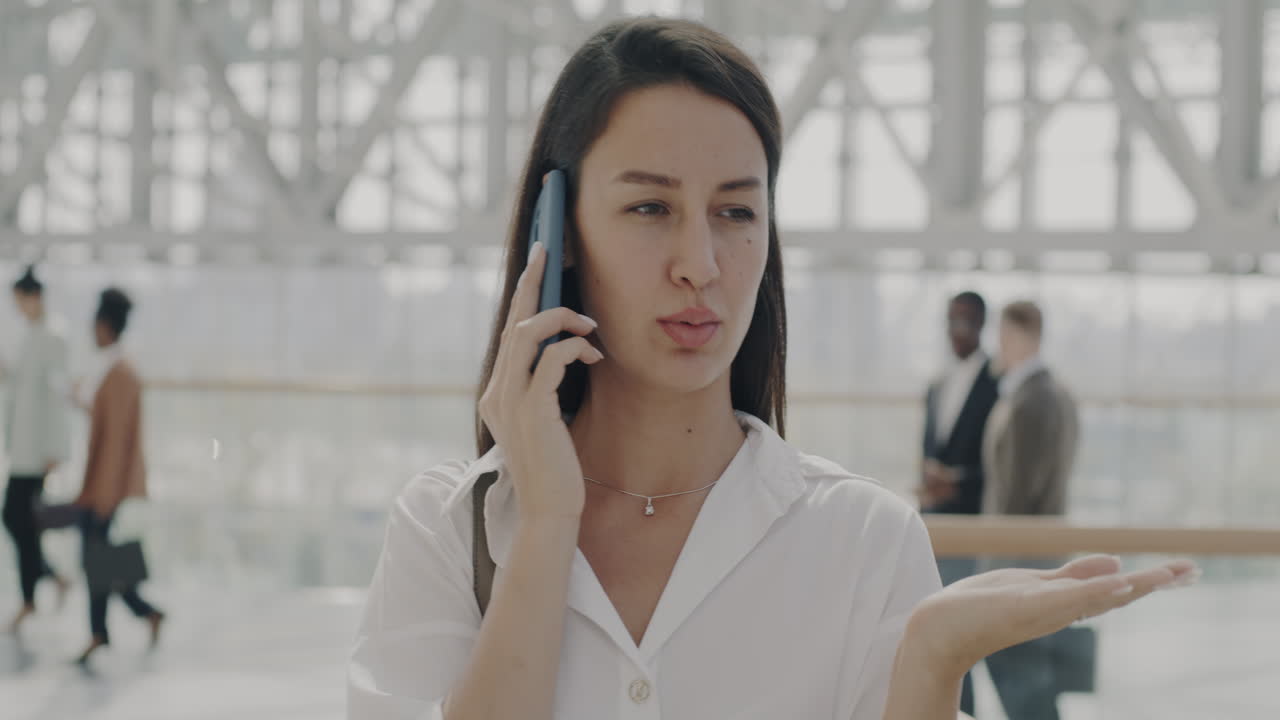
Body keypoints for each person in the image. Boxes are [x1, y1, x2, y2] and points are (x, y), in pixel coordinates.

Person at [348, 18, 1197, 720]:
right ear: (557, 234)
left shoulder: (864, 539)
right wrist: (543, 531)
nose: (700, 262)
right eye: (650, 207)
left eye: (735, 212)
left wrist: (930, 665)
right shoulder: (449, 529)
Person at [980, 300, 1082, 720]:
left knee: (1020, 669)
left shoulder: (1032, 400)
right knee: (1029, 673)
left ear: (1019, 336)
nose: (998, 347)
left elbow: (1017, 493)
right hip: (1034, 555)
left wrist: (998, 570)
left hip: (1020, 560)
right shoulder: (1053, 393)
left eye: (1002, 336)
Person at [69, 287, 164, 665]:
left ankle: (105, 630)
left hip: (105, 486)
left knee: (95, 556)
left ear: (105, 326)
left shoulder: (121, 371)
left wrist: (103, 492)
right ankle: (141, 615)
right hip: (100, 483)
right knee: (99, 557)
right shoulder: (114, 368)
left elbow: (117, 441)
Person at [917, 290, 998, 716]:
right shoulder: (937, 380)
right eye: (952, 321)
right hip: (933, 529)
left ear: (983, 325)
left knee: (963, 639)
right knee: (940, 639)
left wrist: (957, 483)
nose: (958, 331)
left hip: (973, 532)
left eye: (967, 322)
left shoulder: (996, 383)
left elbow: (999, 465)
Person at [2, 265, 72, 633]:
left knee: (16, 518)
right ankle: (50, 581)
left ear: (34, 297)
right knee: (20, 521)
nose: (18, 309)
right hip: (23, 447)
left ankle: (34, 596)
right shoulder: (30, 336)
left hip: (37, 452)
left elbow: (56, 397)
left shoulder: (52, 337)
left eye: (19, 301)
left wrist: (55, 450)